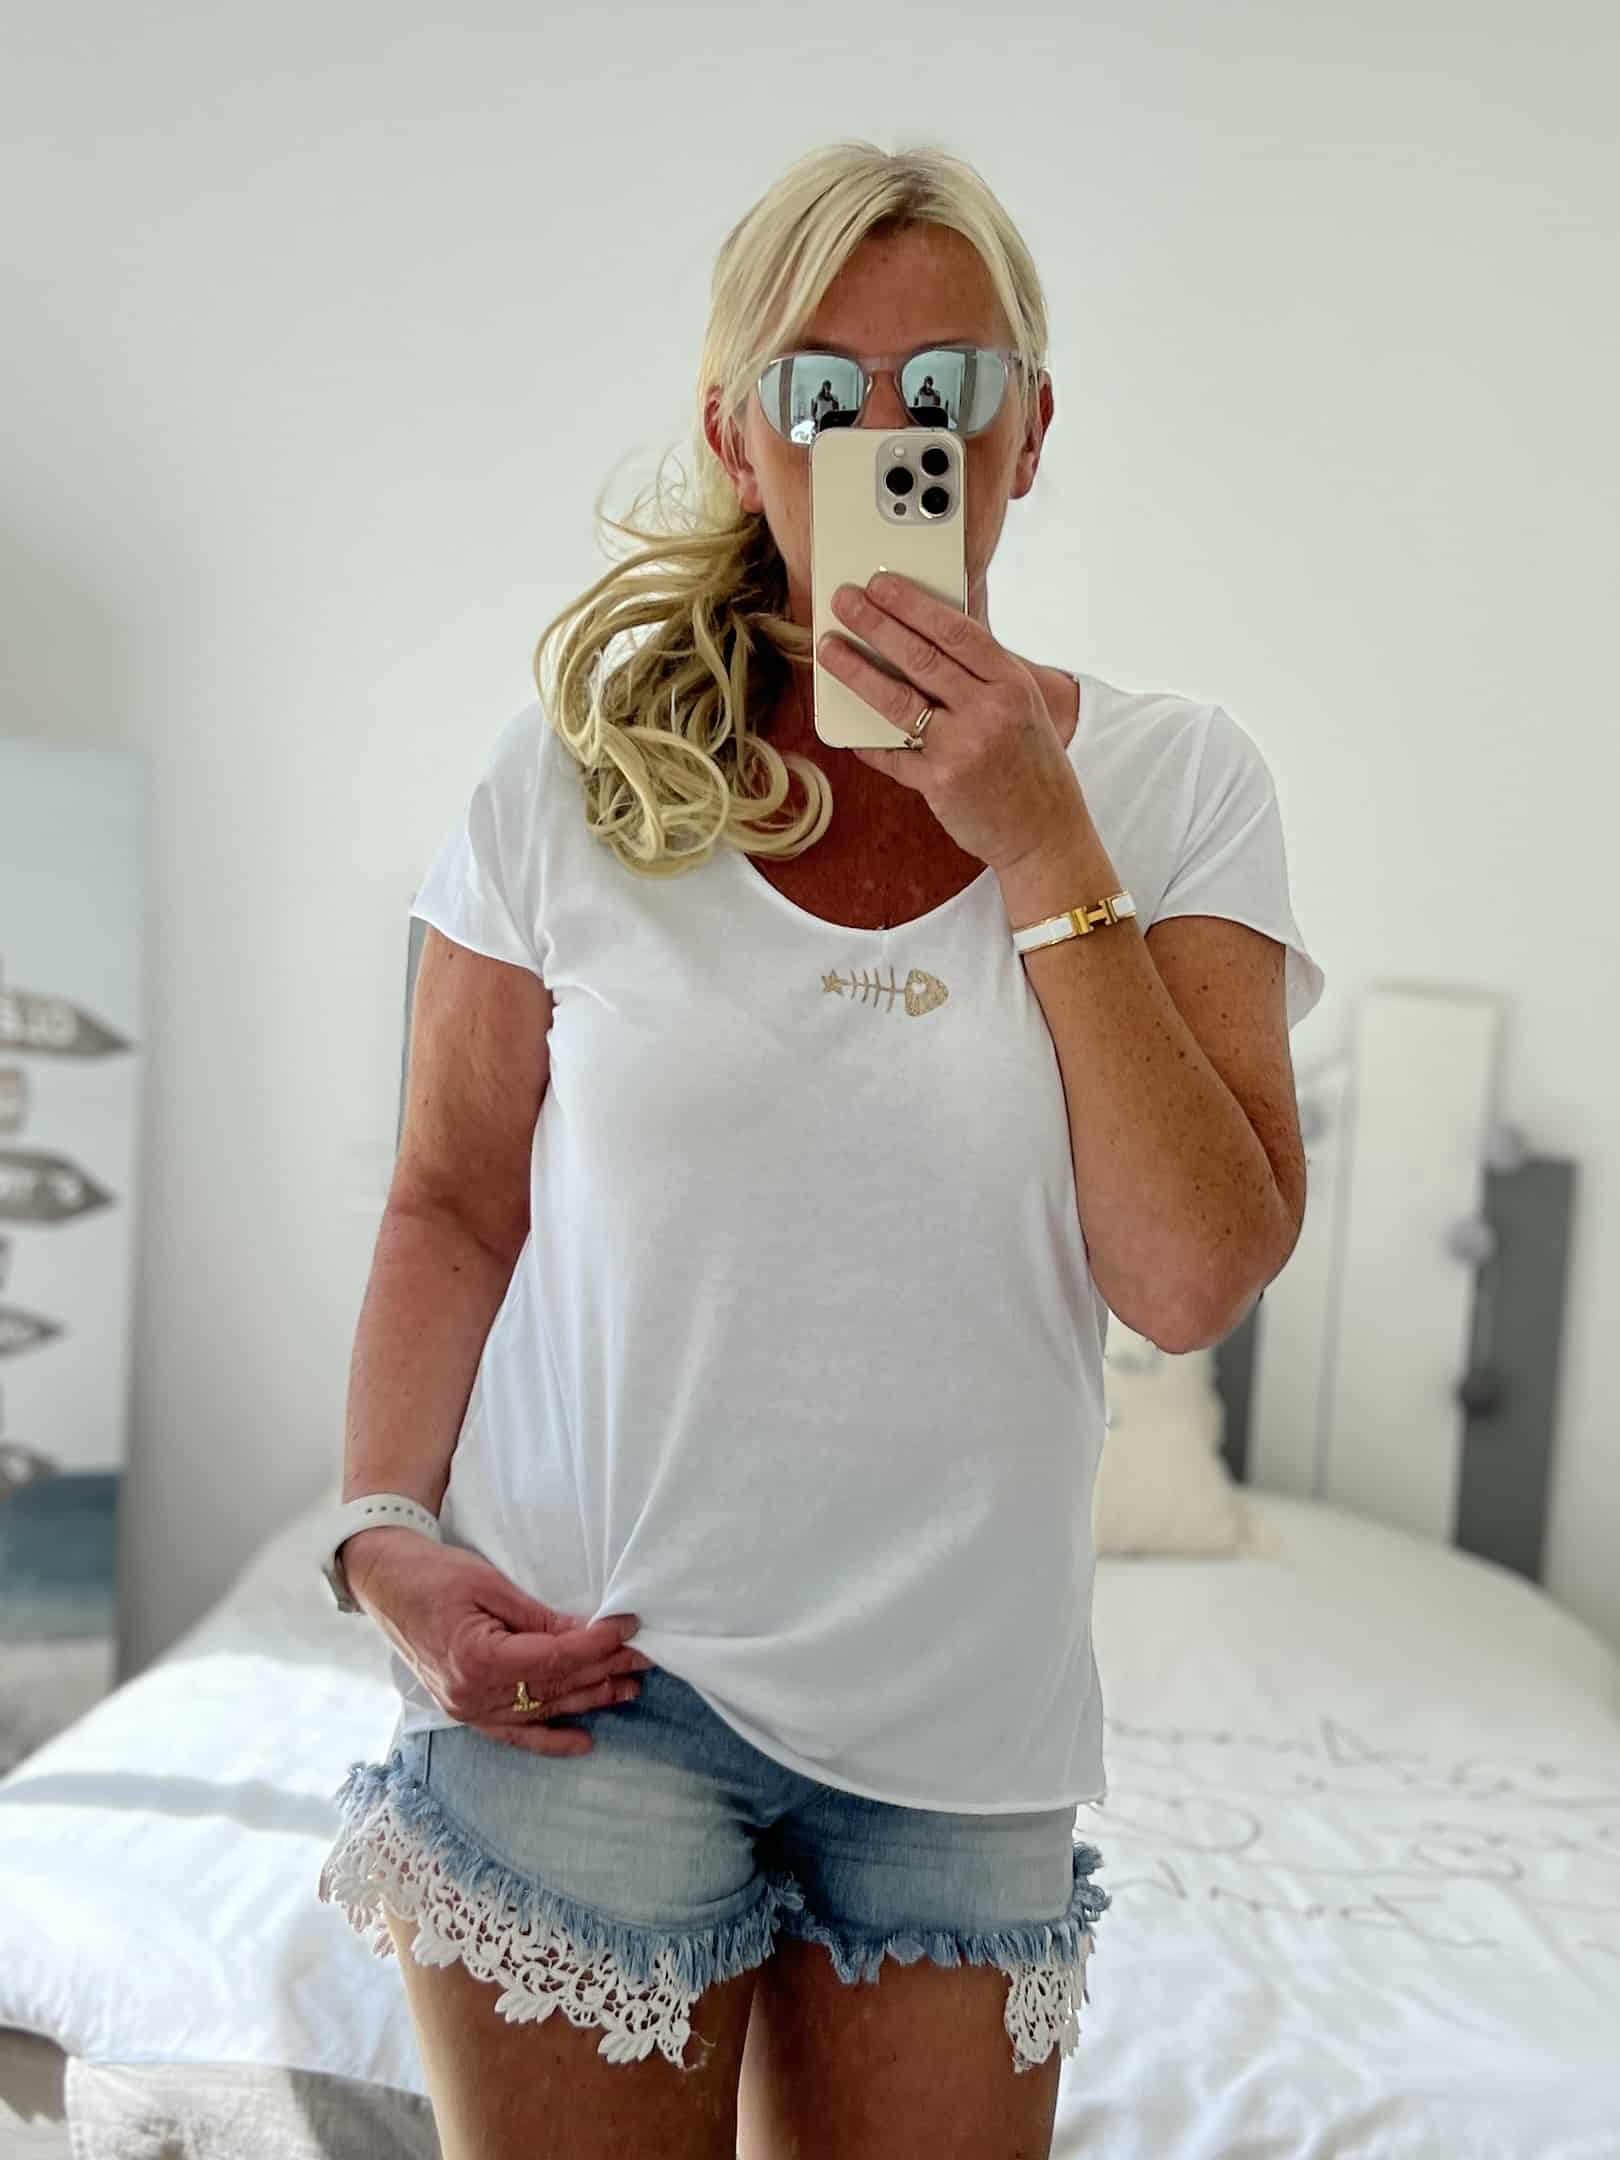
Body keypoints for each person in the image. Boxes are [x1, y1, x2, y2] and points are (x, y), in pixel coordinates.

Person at [315, 137, 1321, 2160]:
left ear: (1029, 431)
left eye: (943, 390)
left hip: (962, 1734)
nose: (887, 438)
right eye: (820, 390)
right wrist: (381, 1537)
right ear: (736, 434)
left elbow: (1192, 1277)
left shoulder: (1173, 784)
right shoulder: (573, 780)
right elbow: (450, 1201)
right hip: (587, 1684)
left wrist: (1041, 843)